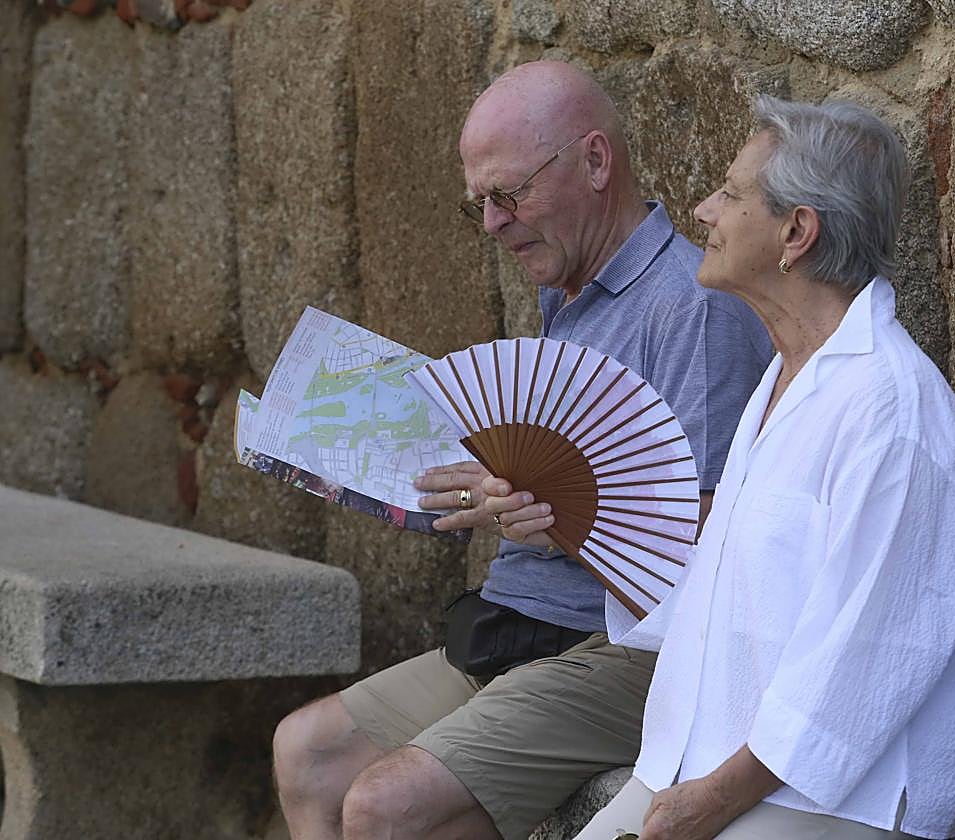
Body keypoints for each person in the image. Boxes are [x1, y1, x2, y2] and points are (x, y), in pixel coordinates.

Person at [271, 61, 773, 840]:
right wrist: (486, 491)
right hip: (515, 623)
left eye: (508, 195)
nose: (492, 224)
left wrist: (559, 516)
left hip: (622, 648)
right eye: (479, 203)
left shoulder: (691, 307)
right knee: (307, 752)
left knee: (382, 806)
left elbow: (705, 537)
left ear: (596, 162)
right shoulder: (565, 288)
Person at [493, 97, 955, 839]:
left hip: (840, 797)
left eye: (731, 195)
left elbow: (867, 656)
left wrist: (714, 799)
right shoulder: (787, 375)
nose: (702, 209)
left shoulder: (891, 412)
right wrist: (565, 519)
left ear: (796, 233)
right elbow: (719, 587)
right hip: (706, 759)